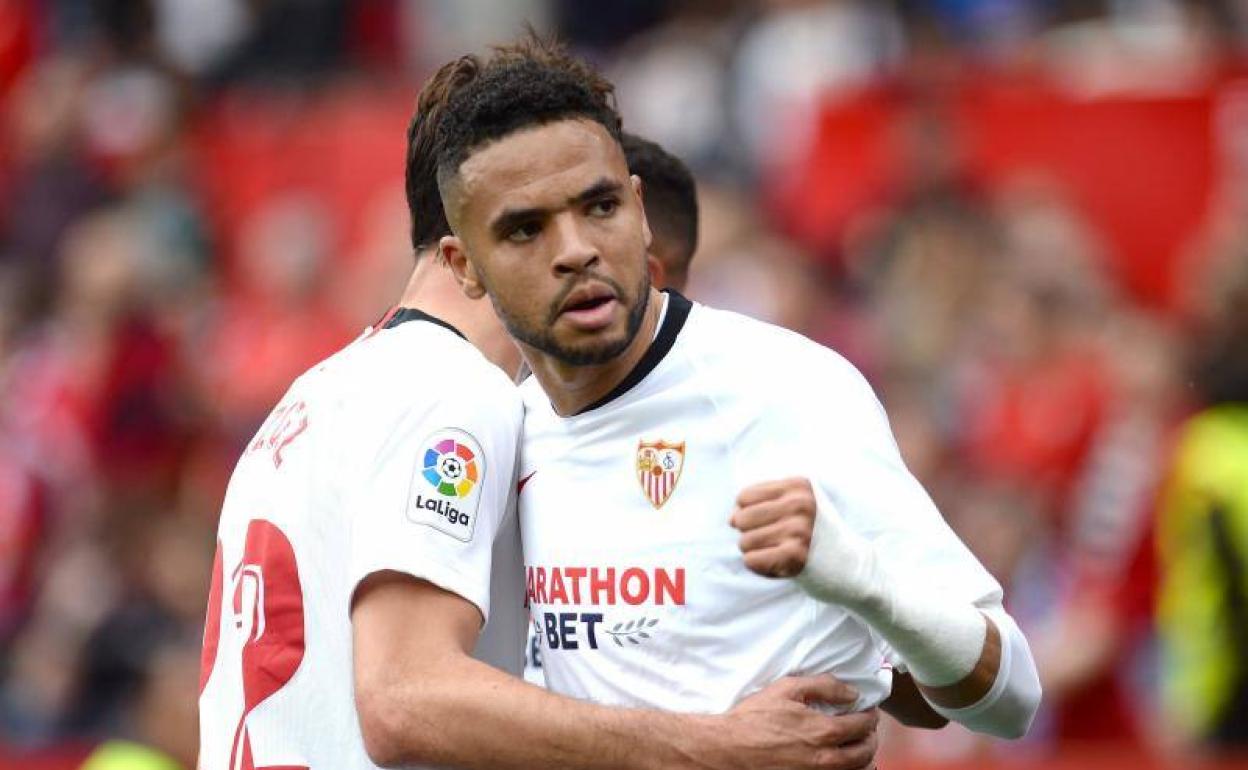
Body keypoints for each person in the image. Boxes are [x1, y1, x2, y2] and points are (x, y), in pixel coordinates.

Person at [196, 53, 881, 770]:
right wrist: (715, 746)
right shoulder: (456, 394)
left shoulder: (315, 396)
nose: (581, 248)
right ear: (468, 242)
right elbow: (405, 697)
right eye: (537, 220)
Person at [434, 37, 1042, 739]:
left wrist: (863, 581)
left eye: (599, 206)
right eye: (525, 229)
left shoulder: (786, 388)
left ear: (639, 209)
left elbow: (1013, 699)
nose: (575, 250)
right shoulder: (497, 435)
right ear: (464, 266)